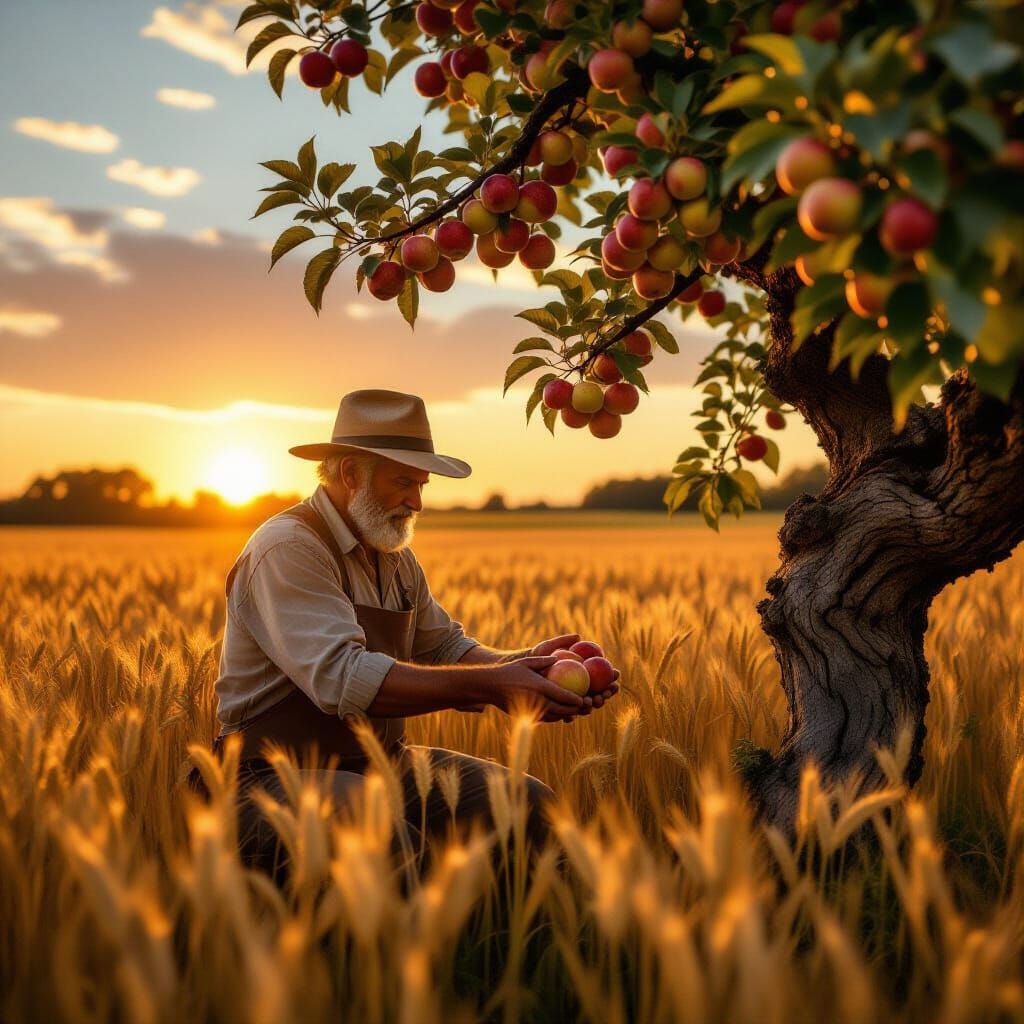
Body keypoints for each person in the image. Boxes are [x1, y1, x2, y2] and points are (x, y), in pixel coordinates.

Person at [205, 389, 619, 877]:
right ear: (351, 474)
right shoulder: (288, 549)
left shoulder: (393, 556)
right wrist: (496, 686)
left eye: (421, 484)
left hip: (379, 763)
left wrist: (526, 666)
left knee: (529, 804)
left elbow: (445, 647)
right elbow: (343, 679)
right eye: (404, 482)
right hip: (270, 777)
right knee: (382, 832)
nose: (416, 501)